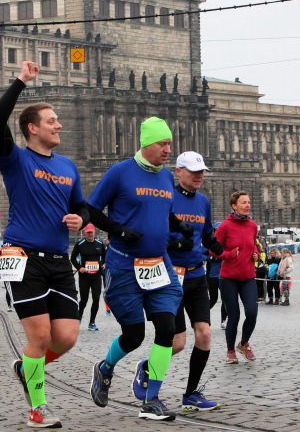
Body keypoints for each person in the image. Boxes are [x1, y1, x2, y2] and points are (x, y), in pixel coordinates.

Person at [0, 60, 88, 428]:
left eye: (57, 120)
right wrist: (20, 81)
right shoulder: (15, 160)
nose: (58, 125)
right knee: (41, 335)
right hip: (22, 257)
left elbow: (80, 205)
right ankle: (37, 408)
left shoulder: (68, 166)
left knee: (66, 338)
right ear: (32, 128)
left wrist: (81, 219)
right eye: (51, 121)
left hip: (59, 260)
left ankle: (26, 368)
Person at [87, 117, 191, 421]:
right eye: (163, 143)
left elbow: (162, 212)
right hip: (123, 266)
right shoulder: (120, 172)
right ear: (146, 143)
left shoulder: (166, 177)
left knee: (167, 330)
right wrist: (119, 230)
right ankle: (105, 368)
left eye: (170, 143)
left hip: (159, 266)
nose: (168, 149)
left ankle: (151, 398)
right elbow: (91, 210)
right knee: (133, 335)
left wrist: (179, 225)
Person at [169, 152, 224, 411]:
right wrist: (175, 243)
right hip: (171, 276)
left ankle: (191, 394)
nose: (199, 176)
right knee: (177, 343)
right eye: (193, 171)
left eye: (201, 171)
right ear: (179, 171)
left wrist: (217, 245)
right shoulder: (166, 197)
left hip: (196, 275)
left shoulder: (203, 201)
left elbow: (207, 233)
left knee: (204, 334)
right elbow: (154, 233)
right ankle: (147, 368)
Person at [214, 191, 259, 364]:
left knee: (252, 313)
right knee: (234, 315)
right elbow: (213, 250)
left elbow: (253, 246)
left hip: (248, 277)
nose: (247, 205)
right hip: (228, 278)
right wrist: (229, 254)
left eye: (248, 202)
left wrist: (255, 254)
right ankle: (230, 351)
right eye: (243, 203)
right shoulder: (225, 226)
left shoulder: (253, 226)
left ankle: (244, 343)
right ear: (234, 206)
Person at [70, 224, 106, 331]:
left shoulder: (100, 244)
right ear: (84, 233)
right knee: (84, 299)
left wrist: (104, 264)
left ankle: (92, 322)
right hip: (84, 276)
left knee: (96, 298)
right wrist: (79, 267)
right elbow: (73, 258)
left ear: (94, 232)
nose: (90, 234)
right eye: (88, 232)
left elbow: (105, 257)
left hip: (96, 275)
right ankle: (79, 316)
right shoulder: (80, 244)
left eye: (91, 232)